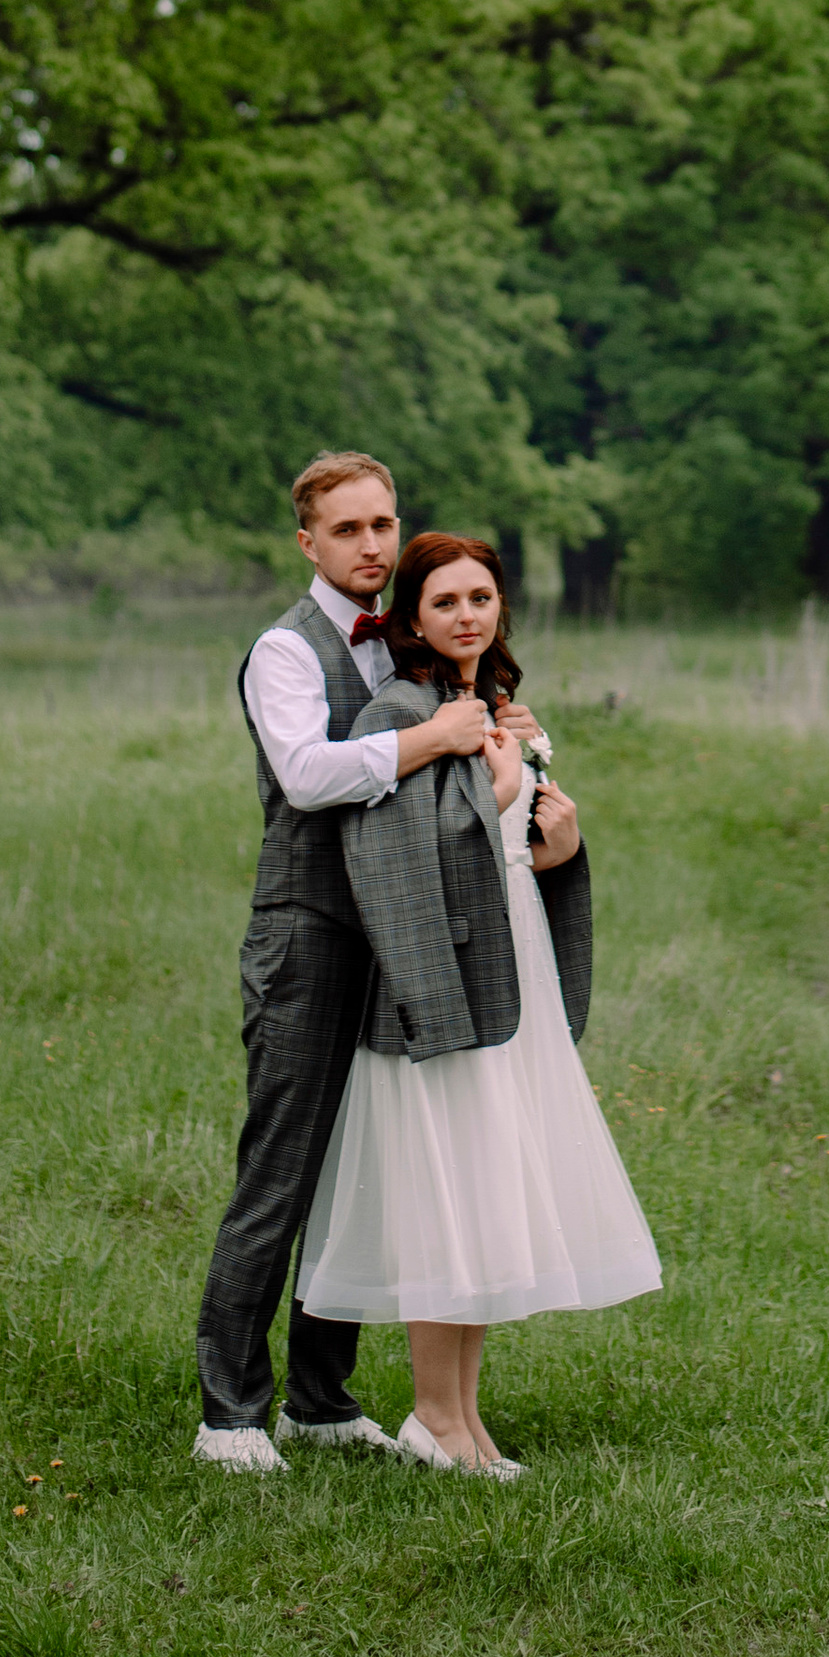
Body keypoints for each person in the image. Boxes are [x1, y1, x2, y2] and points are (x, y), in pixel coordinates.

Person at [190, 451, 550, 1472]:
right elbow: (306, 776)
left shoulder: (405, 648)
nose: (371, 546)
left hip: (403, 937)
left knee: (365, 1174)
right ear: (309, 541)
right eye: (347, 530)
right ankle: (230, 1415)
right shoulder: (285, 650)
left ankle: (320, 1396)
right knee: (283, 1171)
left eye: (383, 525)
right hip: (308, 932)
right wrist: (430, 740)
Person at [297, 530, 661, 1473]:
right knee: (446, 1192)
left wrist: (561, 839)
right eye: (447, 601)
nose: (467, 615)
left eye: (482, 599)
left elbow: (521, 850)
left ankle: (463, 1419)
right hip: (438, 982)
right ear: (413, 617)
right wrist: (497, 781)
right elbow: (385, 856)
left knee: (491, 1185)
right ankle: (431, 1414)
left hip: (512, 965)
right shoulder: (402, 709)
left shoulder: (495, 707)